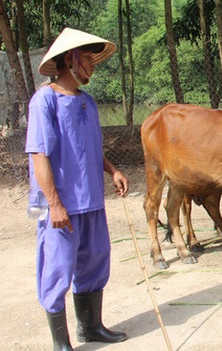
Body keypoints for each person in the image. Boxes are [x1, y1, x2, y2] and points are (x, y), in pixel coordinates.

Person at [25, 28, 129, 350]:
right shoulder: (45, 100)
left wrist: (112, 170)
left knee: (96, 260)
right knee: (57, 266)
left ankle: (92, 327)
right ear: (70, 59)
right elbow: (39, 154)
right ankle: (61, 342)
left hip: (91, 199)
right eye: (88, 58)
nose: (93, 65)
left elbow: (90, 147)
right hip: (61, 204)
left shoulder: (88, 102)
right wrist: (54, 204)